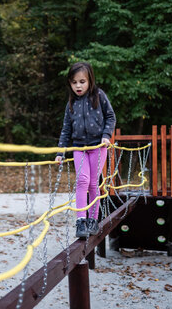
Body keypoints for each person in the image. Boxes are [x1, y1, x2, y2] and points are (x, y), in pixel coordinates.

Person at [55, 61, 116, 238]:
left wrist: (106, 135)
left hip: (97, 146)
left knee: (93, 183)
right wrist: (60, 152)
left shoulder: (99, 95)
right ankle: (81, 221)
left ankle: (93, 220)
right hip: (79, 147)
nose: (78, 86)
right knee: (82, 181)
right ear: (70, 84)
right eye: (74, 82)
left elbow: (111, 116)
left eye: (82, 81)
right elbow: (66, 129)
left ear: (90, 80)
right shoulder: (71, 104)